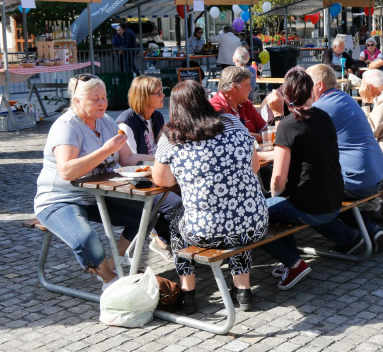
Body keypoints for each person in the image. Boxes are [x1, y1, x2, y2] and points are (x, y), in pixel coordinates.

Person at [34, 75, 159, 292]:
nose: (102, 103)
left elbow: (127, 159)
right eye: (95, 99)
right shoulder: (66, 127)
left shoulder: (106, 122)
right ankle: (110, 281)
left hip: (96, 197)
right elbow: (67, 171)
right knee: (86, 238)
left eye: (104, 97)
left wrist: (162, 159)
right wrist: (104, 151)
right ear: (77, 101)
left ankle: (113, 263)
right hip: (58, 200)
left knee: (148, 213)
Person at [153, 80, 267, 313]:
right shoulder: (232, 122)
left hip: (206, 232)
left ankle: (187, 293)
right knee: (237, 216)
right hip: (256, 223)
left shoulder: (171, 135)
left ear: (175, 107)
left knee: (177, 222)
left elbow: (162, 181)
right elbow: (254, 165)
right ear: (205, 100)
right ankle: (243, 291)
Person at [259, 69, 344, 291]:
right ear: (312, 93)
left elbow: (277, 179)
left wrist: (274, 198)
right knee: (277, 208)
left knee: (255, 213)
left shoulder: (288, 124)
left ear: (286, 96)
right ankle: (290, 261)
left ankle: (294, 263)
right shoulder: (324, 117)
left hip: (311, 207)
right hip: (335, 199)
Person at [305, 64, 383, 251]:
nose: (304, 89)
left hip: (360, 180)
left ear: (319, 85)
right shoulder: (345, 98)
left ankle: (349, 240)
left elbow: (296, 143)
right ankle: (371, 230)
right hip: (377, 174)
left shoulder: (320, 108)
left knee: (306, 194)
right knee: (326, 183)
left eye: (307, 84)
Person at [116, 75, 182, 262]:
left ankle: (185, 242)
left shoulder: (157, 116)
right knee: (175, 202)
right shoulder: (126, 122)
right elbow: (128, 161)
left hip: (158, 174)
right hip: (137, 182)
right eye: (158, 92)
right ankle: (162, 238)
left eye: (163, 91)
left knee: (189, 192)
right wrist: (161, 159)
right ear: (144, 96)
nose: (163, 95)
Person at [210, 66, 267, 141]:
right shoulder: (216, 107)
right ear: (234, 87)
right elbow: (234, 137)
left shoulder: (246, 103)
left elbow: (265, 130)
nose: (251, 89)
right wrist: (261, 137)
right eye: (247, 85)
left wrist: (260, 136)